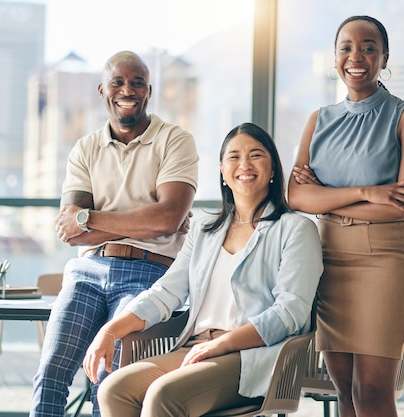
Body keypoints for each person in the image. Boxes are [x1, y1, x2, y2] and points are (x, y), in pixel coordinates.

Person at [82, 122, 323, 417]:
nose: (244, 164)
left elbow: (290, 312)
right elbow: (165, 292)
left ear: (273, 168)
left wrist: (223, 344)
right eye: (234, 157)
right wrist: (109, 331)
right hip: (198, 346)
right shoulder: (204, 230)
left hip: (251, 356)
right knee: (114, 389)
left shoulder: (296, 229)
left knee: (163, 395)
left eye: (256, 155)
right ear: (222, 170)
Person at [30, 50, 199, 417]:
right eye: (118, 82)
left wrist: (90, 218)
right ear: (102, 90)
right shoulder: (85, 149)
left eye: (137, 82)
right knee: (50, 373)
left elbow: (168, 218)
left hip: (148, 272)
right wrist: (141, 219)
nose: (128, 89)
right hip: (87, 274)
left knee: (107, 379)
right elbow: (69, 231)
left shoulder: (175, 140)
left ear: (149, 90)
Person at [288, 16, 404, 417]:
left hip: (385, 258)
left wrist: (326, 198)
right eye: (346, 47)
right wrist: (367, 191)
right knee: (345, 393)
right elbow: (296, 196)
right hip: (328, 257)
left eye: (369, 47)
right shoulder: (319, 120)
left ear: (385, 58)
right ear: (334, 57)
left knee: (372, 392)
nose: (357, 56)